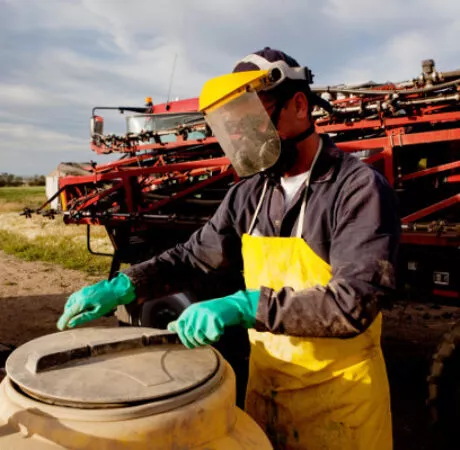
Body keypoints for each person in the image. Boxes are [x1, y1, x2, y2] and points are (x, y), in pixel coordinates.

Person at [57, 47, 400, 450]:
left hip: (341, 405)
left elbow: (353, 302)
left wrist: (243, 306)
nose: (243, 134)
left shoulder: (357, 189)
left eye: (252, 118)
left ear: (299, 105)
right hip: (268, 392)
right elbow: (192, 256)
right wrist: (125, 285)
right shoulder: (250, 194)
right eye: (235, 124)